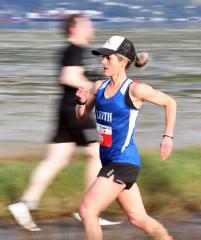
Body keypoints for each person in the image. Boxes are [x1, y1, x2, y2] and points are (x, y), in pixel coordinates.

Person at [8, 14, 116, 231]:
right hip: (77, 112)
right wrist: (95, 88)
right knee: (99, 153)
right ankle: (90, 209)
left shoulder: (76, 51)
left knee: (56, 159)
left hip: (67, 111)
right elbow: (68, 77)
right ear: (74, 29)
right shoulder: (74, 50)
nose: (91, 26)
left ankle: (25, 204)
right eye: (86, 23)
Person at [75, 35, 176, 240]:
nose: (103, 62)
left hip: (124, 162)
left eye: (108, 58)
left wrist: (168, 136)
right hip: (110, 162)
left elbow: (170, 103)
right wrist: (81, 102)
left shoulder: (135, 90)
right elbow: (82, 115)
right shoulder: (99, 87)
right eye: (102, 57)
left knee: (87, 210)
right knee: (139, 219)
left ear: (123, 62)